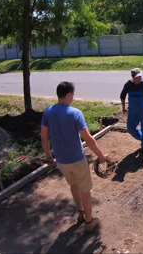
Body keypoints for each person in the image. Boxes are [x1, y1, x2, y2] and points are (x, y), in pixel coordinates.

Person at [41, 81, 109, 233]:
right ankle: (89, 221)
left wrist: (48, 157)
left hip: (61, 162)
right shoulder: (75, 113)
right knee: (85, 190)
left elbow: (44, 138)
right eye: (73, 95)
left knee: (73, 186)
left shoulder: (48, 112)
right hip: (77, 160)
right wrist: (101, 156)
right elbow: (88, 139)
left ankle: (80, 213)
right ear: (69, 94)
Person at [120, 68, 143, 156]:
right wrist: (123, 107)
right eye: (137, 77)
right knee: (130, 129)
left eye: (140, 76)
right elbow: (122, 95)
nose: (139, 79)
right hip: (132, 112)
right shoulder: (128, 84)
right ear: (132, 78)